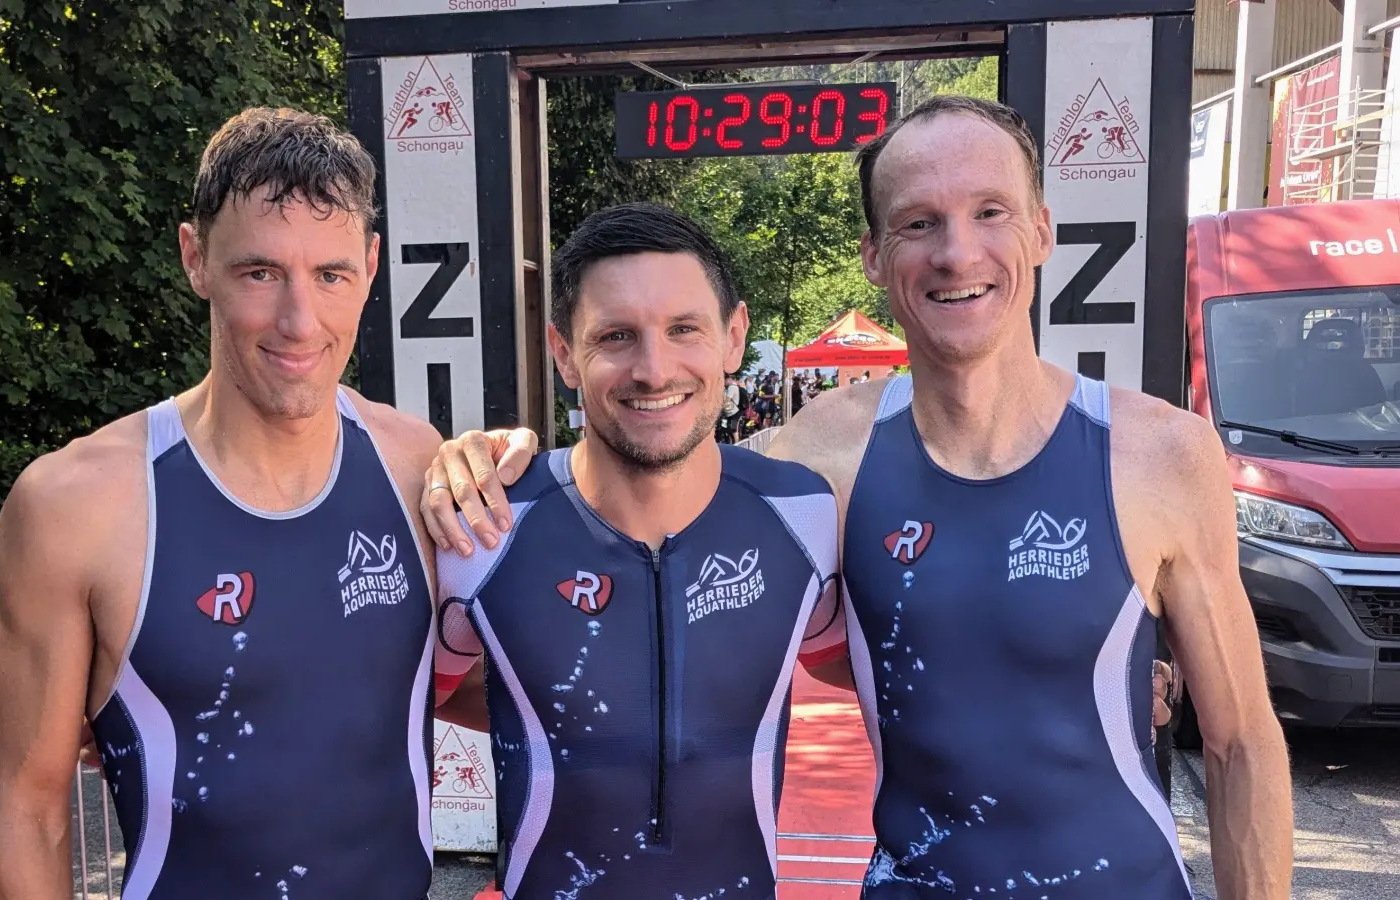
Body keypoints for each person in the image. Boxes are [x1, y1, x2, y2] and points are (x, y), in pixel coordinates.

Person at [422, 95, 1291, 899]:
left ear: (1041, 229)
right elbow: (652, 474)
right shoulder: (821, 461)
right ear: (874, 255)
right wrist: (484, 456)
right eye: (919, 222)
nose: (957, 253)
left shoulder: (1161, 453)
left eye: (990, 211)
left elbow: (1242, 742)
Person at [0, 107, 532, 899]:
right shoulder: (78, 504)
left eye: (330, 275)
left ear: (371, 266)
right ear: (195, 258)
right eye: (261, 273)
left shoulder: (416, 463)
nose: (299, 322)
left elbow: (469, 692)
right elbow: (25, 810)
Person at [425, 202, 846, 900]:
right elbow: (397, 703)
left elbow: (894, 682)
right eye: (616, 336)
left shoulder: (806, 515)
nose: (653, 370)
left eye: (684, 329)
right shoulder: (486, 526)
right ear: (564, 353)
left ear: (733, 337)